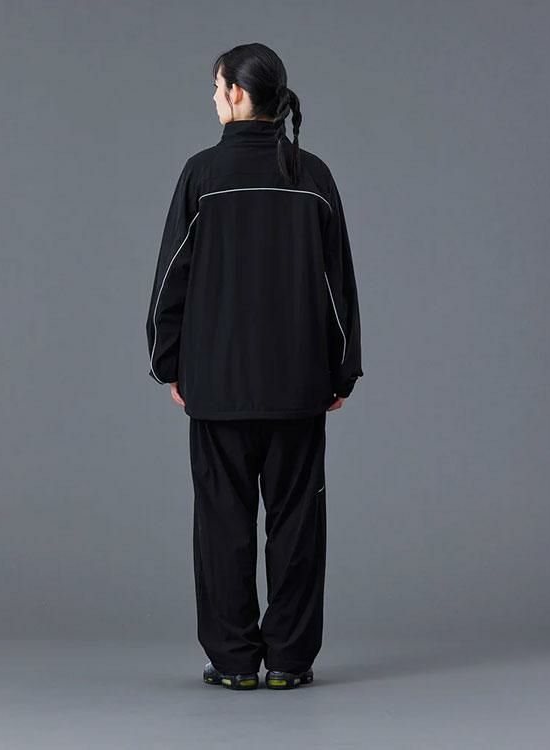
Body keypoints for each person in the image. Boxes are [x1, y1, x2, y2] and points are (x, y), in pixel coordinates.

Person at [145, 42, 363, 690]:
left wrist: (167, 363)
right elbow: (338, 285)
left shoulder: (202, 175)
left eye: (217, 87)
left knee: (222, 523)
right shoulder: (312, 175)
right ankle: (289, 661)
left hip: (216, 387)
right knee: (297, 523)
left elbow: (171, 280)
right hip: (298, 386)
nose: (214, 98)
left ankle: (235, 662)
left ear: (237, 95)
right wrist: (341, 370)